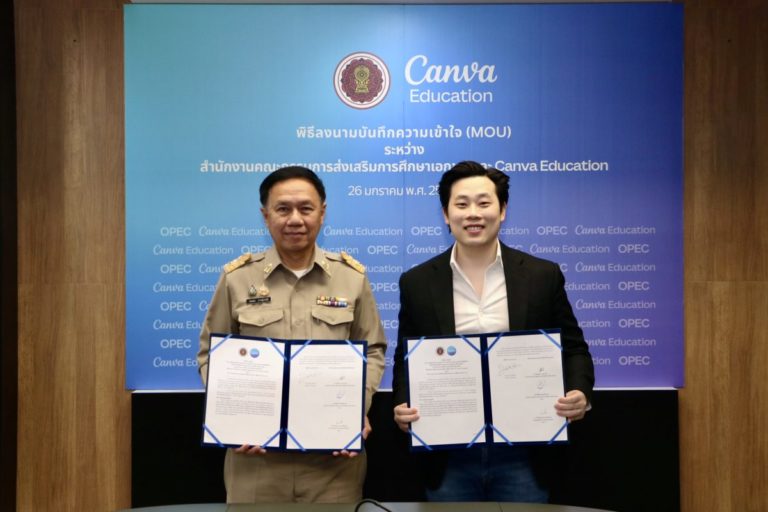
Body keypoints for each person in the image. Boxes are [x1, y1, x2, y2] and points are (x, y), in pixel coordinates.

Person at [392, 161, 594, 502]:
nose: (473, 213)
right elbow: (406, 357)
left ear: (502, 211)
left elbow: (574, 349)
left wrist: (580, 392)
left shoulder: (541, 276)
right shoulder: (417, 282)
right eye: (462, 204)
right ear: (446, 214)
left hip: (525, 452)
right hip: (448, 453)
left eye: (484, 203)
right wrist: (402, 402)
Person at [197, 166, 386, 503]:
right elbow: (212, 355)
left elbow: (373, 350)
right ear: (265, 216)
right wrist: (233, 414)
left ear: (322, 213)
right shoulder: (237, 278)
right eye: (283, 209)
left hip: (333, 463)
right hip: (257, 462)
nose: (295, 219)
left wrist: (354, 406)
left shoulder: (351, 278)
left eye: (306, 208)